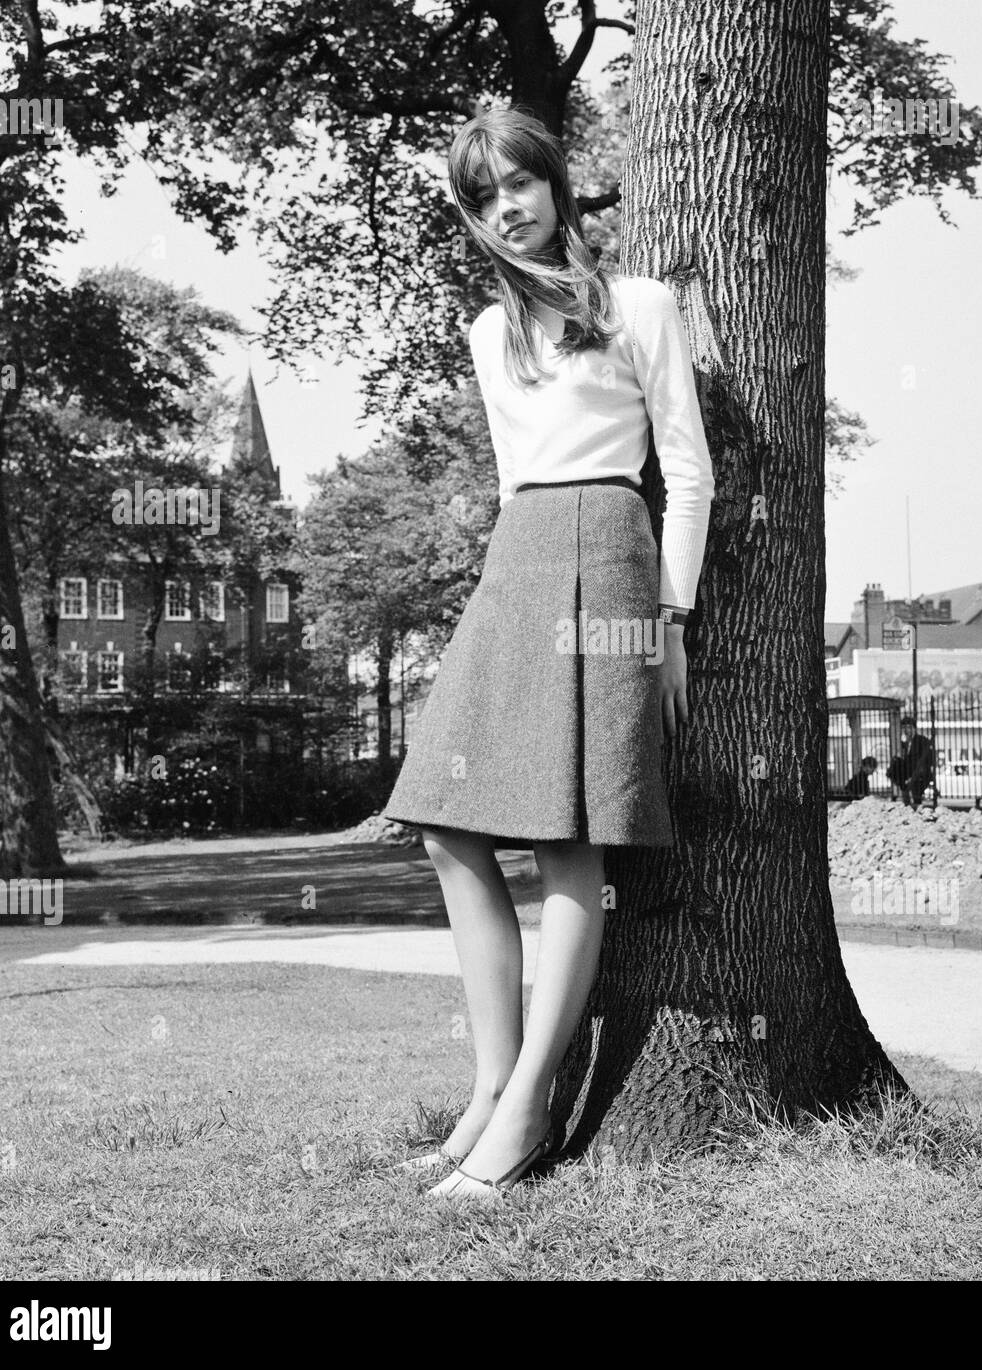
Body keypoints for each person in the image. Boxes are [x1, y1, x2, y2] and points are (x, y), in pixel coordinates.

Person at [380, 107, 715, 1201]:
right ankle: (487, 1087)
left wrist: (670, 621)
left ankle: (525, 1109)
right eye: (484, 198)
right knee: (445, 819)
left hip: (610, 548)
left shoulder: (641, 305)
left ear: (556, 183)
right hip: (517, 549)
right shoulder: (486, 331)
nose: (507, 208)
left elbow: (688, 468)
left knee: (573, 838)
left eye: (519, 182)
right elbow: (514, 467)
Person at [888, 715, 934, 810]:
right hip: (908, 772)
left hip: (921, 773)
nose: (906, 730)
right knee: (894, 765)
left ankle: (916, 805)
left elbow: (929, 759)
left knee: (916, 790)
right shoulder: (903, 743)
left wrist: (916, 773)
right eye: (904, 727)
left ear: (914, 728)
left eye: (909, 727)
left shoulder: (922, 741)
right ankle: (907, 800)